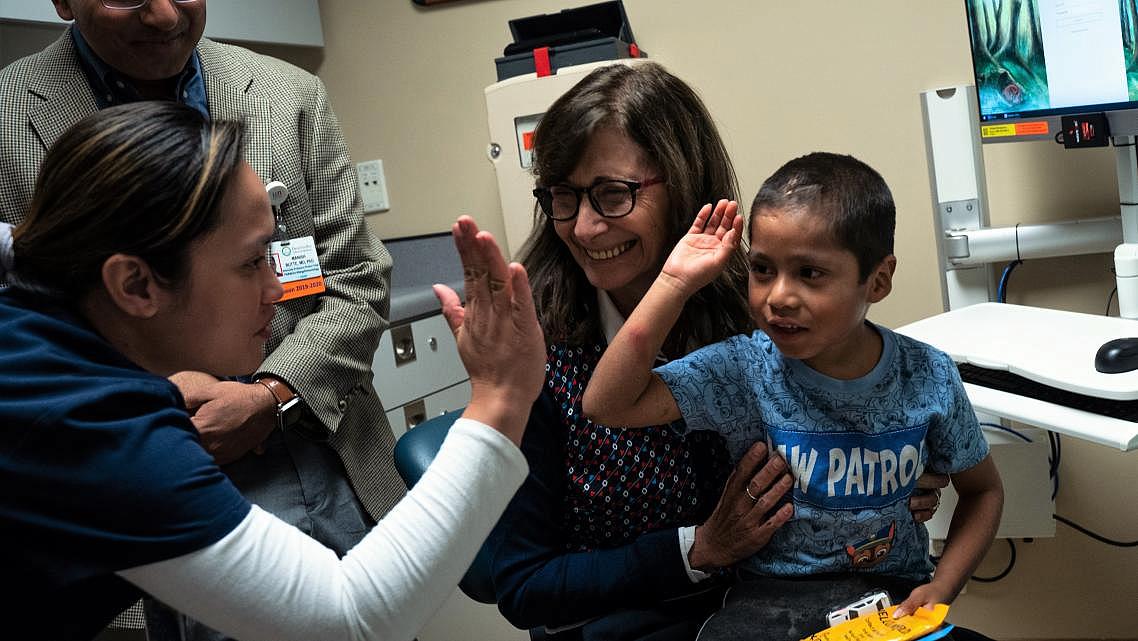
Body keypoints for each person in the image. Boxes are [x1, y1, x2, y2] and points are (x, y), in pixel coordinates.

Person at [0, 100, 544, 641]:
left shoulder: (38, 330)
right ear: (137, 286)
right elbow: (349, 619)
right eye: (251, 261)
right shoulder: (92, 420)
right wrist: (502, 395)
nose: (276, 290)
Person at [485, 62, 947, 641]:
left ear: (682, 187)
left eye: (612, 195)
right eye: (563, 197)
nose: (583, 228)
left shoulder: (756, 315)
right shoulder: (537, 354)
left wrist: (896, 470)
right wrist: (698, 548)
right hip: (625, 623)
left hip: (778, 607)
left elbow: (846, 405)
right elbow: (525, 587)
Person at [0, 1, 402, 635]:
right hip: (133, 483)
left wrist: (272, 395)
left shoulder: (286, 95)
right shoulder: (6, 116)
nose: (162, 15)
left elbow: (356, 277)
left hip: (311, 451)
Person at [582, 152, 1005, 640]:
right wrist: (675, 284)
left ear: (879, 279)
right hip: (765, 605)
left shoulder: (929, 375)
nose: (778, 296)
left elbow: (984, 491)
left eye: (810, 273)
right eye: (762, 269)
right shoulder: (741, 369)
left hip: (891, 600)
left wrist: (943, 588)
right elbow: (606, 405)